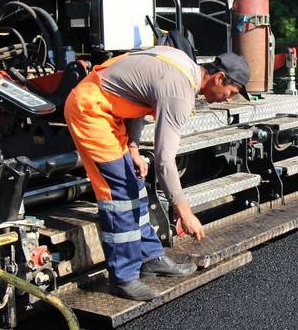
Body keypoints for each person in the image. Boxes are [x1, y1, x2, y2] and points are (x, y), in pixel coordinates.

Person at [65, 45, 250, 301]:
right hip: (91, 111)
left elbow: (137, 96)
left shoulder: (181, 63)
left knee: (135, 182)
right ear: (219, 78)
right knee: (120, 194)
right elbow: (164, 161)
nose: (228, 99)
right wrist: (184, 212)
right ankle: (124, 278)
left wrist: (133, 148)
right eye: (232, 92)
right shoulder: (180, 92)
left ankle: (150, 257)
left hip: (111, 111)